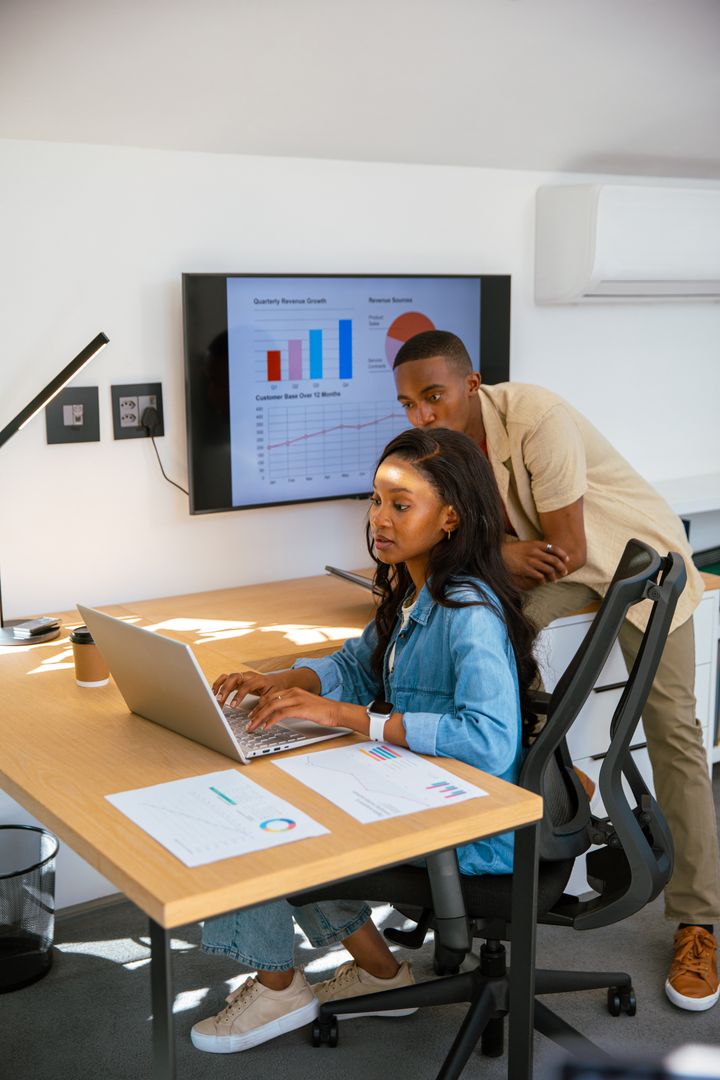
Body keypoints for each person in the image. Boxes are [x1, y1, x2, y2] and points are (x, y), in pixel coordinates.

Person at [392, 328, 720, 1012]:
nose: (422, 416)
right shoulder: (442, 452)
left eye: (433, 397)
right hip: (558, 564)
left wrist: (499, 555)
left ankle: (701, 923)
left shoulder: (534, 417)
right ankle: (547, 784)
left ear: (471, 384)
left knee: (674, 734)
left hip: (631, 559)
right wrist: (494, 557)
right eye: (408, 404)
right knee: (479, 640)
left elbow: (565, 547)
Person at [190, 426, 539, 1054]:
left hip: (474, 829)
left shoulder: (469, 613)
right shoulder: (413, 588)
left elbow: (490, 743)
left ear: (452, 517)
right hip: (427, 791)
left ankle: (277, 987)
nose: (379, 519)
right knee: (278, 789)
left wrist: (348, 719)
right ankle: (383, 971)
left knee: (267, 820)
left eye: (401, 505)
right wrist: (280, 680)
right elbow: (356, 665)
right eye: (375, 501)